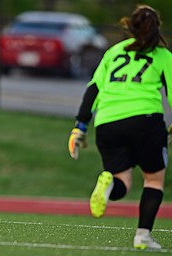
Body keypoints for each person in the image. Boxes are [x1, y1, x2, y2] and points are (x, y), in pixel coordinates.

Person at [68, 5, 172, 250]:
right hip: (145, 120)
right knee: (154, 181)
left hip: (107, 122)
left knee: (121, 181)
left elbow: (93, 89)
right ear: (157, 28)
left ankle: (108, 184)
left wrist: (79, 127)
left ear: (131, 26)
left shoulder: (114, 52)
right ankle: (142, 236)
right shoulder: (163, 56)